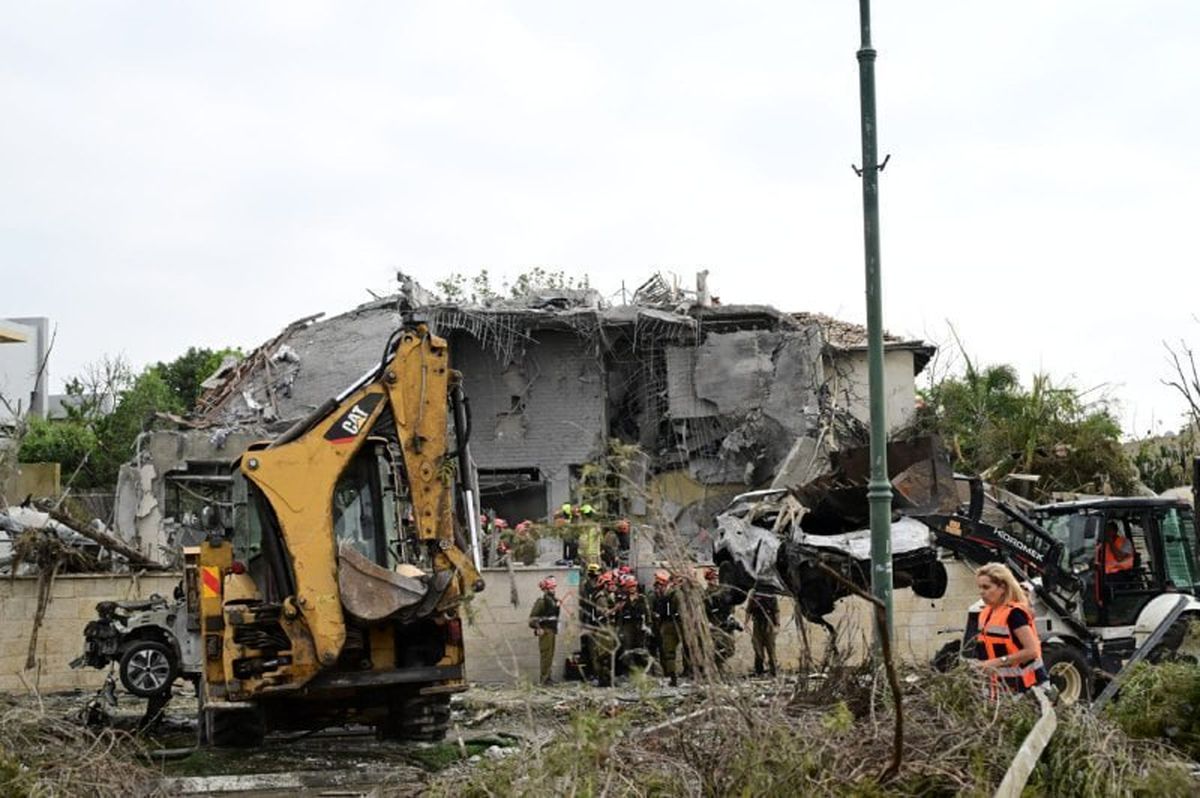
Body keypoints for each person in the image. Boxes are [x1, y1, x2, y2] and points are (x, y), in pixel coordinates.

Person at [972, 563, 1048, 697]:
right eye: (979, 587)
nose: (981, 592)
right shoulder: (985, 614)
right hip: (1003, 690)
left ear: (1002, 588)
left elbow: (1033, 650)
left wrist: (997, 662)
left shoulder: (1014, 614)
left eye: (986, 587)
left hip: (1029, 689)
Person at [651, 570, 682, 686]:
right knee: (670, 652)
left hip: (669, 624)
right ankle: (673, 676)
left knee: (669, 652)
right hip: (674, 623)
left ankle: (672, 676)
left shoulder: (668, 594)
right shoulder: (674, 593)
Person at [528, 577, 561, 684]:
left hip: (552, 630)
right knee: (546, 656)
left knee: (550, 655)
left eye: (553, 588)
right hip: (545, 631)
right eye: (551, 588)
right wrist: (538, 628)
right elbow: (532, 619)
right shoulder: (541, 602)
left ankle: (548, 677)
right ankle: (544, 679)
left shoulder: (552, 601)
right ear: (546, 589)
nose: (553, 590)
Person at [747, 589, 779, 677]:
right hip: (757, 623)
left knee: (771, 648)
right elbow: (748, 610)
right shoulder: (754, 594)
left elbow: (776, 611)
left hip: (769, 624)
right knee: (758, 647)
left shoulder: (772, 596)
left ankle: (774, 671)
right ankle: (759, 670)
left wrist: (777, 625)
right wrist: (746, 623)